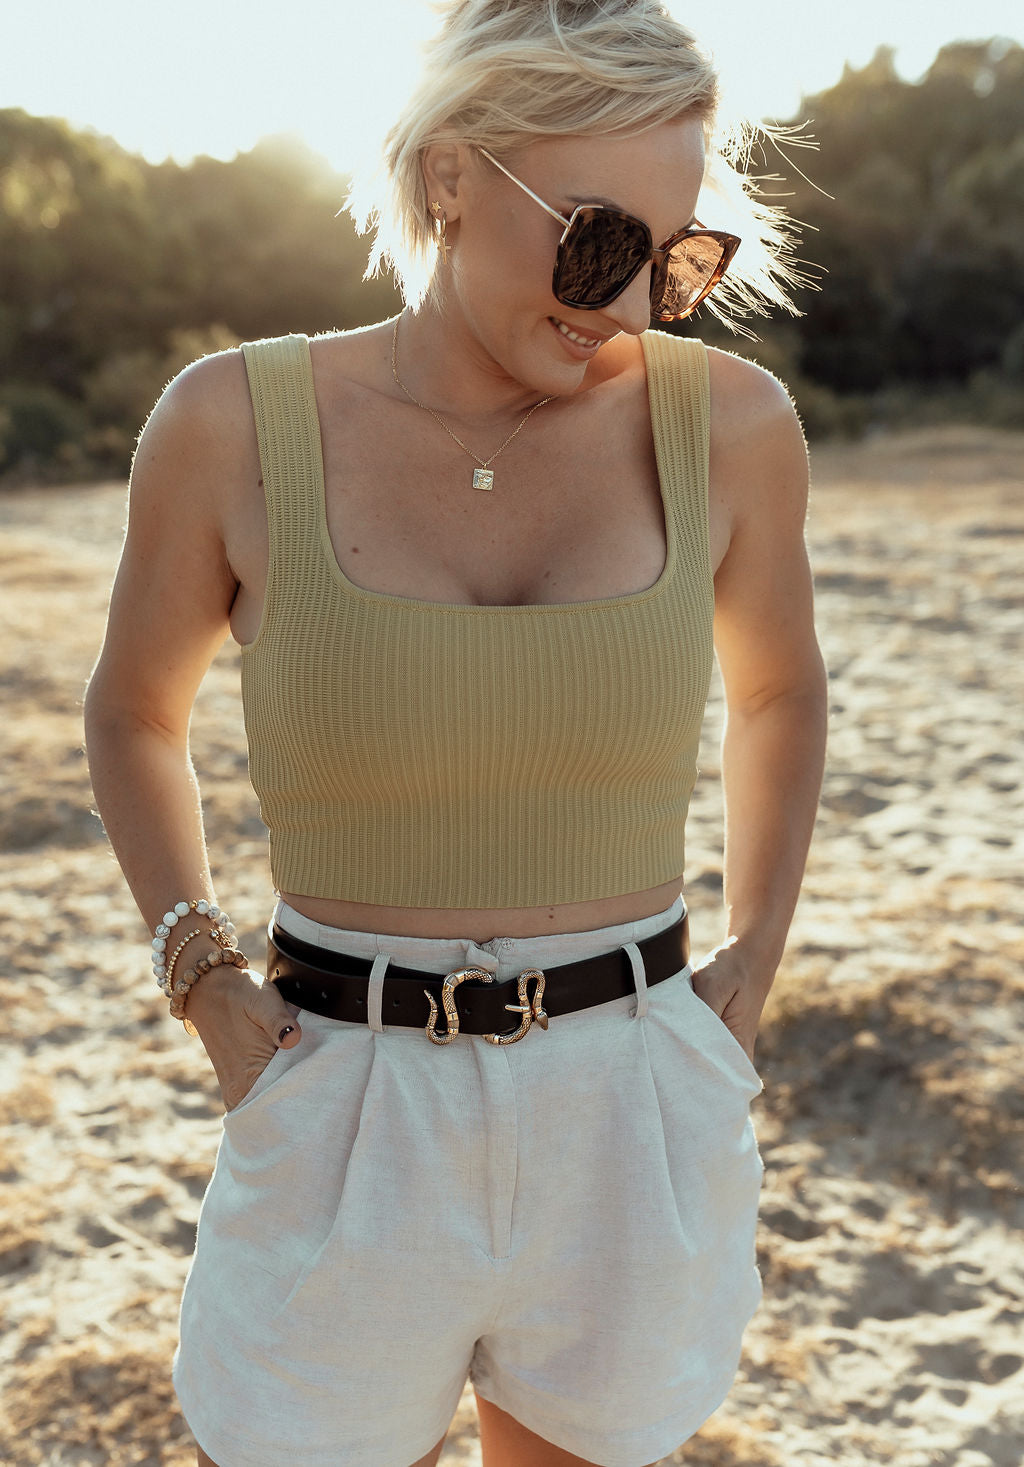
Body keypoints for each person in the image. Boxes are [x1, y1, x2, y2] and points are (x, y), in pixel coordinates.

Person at [84, 1, 827, 1464]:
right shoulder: (232, 424)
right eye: (599, 240)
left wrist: (755, 960)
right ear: (451, 174)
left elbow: (780, 691)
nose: (626, 306)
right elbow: (131, 708)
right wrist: (199, 971)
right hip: (341, 1083)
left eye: (678, 262)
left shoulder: (730, 425)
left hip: (630, 1091)